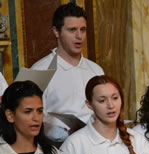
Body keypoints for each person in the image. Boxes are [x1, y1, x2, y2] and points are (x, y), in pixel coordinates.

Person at [31, 3, 104, 144]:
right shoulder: (40, 70)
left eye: (83, 30)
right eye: (72, 30)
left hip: (96, 143)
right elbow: (31, 118)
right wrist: (64, 133)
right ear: (56, 32)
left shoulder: (96, 70)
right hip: (57, 146)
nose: (79, 36)